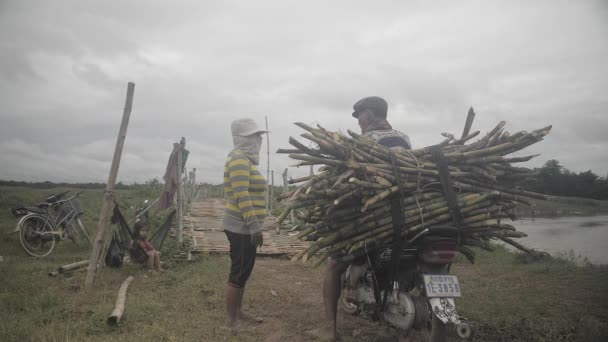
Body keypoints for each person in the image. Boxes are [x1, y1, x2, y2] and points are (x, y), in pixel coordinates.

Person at [310, 96, 411, 341]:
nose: (358, 123)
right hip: (405, 217)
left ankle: (329, 329)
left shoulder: (364, 142)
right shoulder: (405, 139)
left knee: (334, 267)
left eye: (359, 117)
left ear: (370, 115)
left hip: (373, 220)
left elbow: (350, 184)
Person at [223, 118, 267, 331]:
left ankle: (239, 312)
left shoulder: (245, 161)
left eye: (259, 135)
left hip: (246, 226)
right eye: (254, 135)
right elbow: (241, 195)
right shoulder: (239, 159)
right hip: (241, 227)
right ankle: (231, 322)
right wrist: (254, 226)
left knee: (244, 271)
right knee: (239, 271)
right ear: (242, 138)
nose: (259, 139)